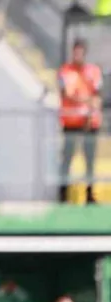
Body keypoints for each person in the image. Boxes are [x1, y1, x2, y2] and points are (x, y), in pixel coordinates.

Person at [57, 38, 102, 205]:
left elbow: (97, 95)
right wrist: (86, 100)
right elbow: (67, 93)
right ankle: (63, 195)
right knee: (66, 159)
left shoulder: (93, 71)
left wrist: (91, 113)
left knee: (89, 160)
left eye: (80, 52)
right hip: (70, 122)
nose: (78, 55)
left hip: (89, 123)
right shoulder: (65, 71)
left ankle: (89, 194)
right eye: (75, 51)